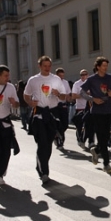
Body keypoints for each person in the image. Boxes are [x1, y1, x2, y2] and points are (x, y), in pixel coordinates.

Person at [24, 56, 65, 184]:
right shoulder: (33, 80)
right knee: (42, 143)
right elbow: (26, 95)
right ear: (40, 66)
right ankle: (44, 173)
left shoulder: (56, 79)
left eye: (49, 66)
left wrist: (58, 94)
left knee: (48, 144)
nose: (47, 68)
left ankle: (41, 165)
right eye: (44, 66)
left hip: (52, 115)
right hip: (39, 115)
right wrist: (31, 103)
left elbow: (64, 97)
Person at [80, 56, 111, 174]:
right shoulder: (92, 79)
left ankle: (96, 150)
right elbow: (81, 92)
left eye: (107, 66)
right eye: (104, 66)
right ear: (98, 67)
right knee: (101, 137)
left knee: (105, 138)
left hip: (108, 110)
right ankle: (106, 164)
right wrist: (92, 99)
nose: (106, 68)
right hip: (96, 112)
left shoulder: (110, 78)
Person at [71, 69, 94, 149]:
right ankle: (80, 139)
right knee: (79, 126)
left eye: (85, 74)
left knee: (90, 125)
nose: (84, 76)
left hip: (90, 108)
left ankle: (91, 142)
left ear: (88, 75)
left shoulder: (91, 83)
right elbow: (73, 96)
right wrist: (84, 95)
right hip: (80, 108)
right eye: (82, 74)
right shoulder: (77, 84)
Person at [55, 67, 72, 150]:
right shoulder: (53, 83)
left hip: (64, 105)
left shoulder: (65, 83)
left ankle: (57, 135)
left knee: (65, 124)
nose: (61, 77)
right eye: (60, 76)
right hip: (55, 105)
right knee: (58, 123)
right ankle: (59, 142)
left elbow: (68, 93)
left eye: (62, 75)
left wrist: (70, 99)